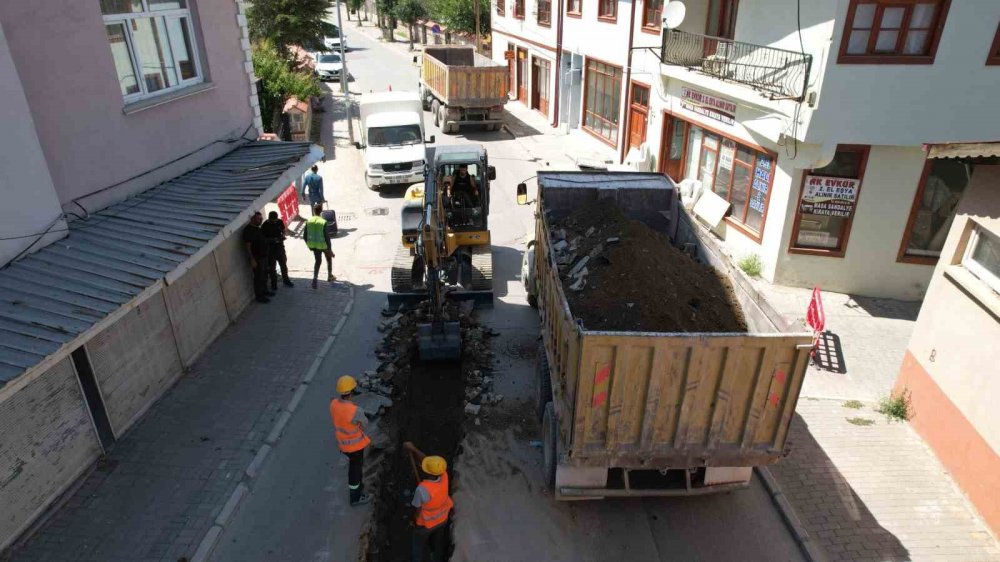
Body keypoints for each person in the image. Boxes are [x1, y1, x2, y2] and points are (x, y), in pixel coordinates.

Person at [404, 442, 453, 562]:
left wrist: (412, 520)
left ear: (427, 472)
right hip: (442, 519)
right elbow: (427, 461)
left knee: (417, 547)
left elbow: (417, 509)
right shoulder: (444, 475)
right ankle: (433, 556)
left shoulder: (422, 489)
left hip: (425, 525)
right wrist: (414, 449)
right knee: (436, 543)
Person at [330, 376, 372, 506]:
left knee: (355, 467)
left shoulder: (333, 404)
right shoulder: (355, 410)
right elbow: (365, 424)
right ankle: (355, 497)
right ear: (352, 391)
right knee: (355, 470)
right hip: (355, 446)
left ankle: (358, 486)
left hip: (342, 444)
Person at [242, 212, 272, 303]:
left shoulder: (258, 228)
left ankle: (265, 291)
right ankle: (259, 296)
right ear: (252, 219)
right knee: (259, 277)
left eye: (261, 219)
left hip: (264, 256)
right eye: (259, 219)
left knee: (265, 275)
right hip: (257, 258)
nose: (261, 220)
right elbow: (248, 245)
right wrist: (252, 259)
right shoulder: (248, 230)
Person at [304, 204, 335, 289]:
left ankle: (315, 279)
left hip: (314, 246)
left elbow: (304, 236)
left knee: (318, 261)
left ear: (313, 211)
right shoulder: (323, 222)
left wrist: (309, 245)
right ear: (321, 211)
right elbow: (327, 237)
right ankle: (329, 276)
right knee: (329, 259)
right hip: (323, 245)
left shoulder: (308, 221)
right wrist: (329, 249)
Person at [261, 211, 294, 290]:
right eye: (273, 221)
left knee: (283, 265)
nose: (274, 222)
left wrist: (283, 235)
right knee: (272, 268)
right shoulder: (265, 226)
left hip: (280, 248)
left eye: (275, 220)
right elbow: (263, 239)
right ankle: (274, 284)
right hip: (270, 250)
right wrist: (274, 240)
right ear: (269, 218)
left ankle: (286, 280)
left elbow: (283, 230)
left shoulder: (279, 222)